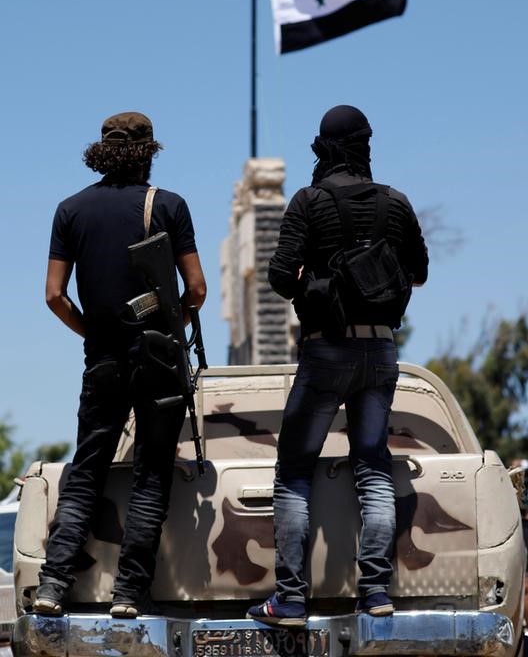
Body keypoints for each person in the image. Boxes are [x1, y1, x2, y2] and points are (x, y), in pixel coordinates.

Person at [247, 105, 428, 626]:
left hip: (326, 352)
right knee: (372, 465)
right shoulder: (395, 202)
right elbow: (418, 272)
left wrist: (317, 283)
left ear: (322, 147)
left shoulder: (308, 201)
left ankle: (290, 600)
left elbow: (280, 276)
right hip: (381, 352)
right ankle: (374, 594)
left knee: (294, 471)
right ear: (366, 145)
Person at [33, 111, 206, 618]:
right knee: (152, 475)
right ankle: (129, 595)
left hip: (102, 360)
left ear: (102, 151)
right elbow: (195, 288)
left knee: (86, 470)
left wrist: (96, 333)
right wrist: (172, 322)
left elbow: (54, 296)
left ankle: (51, 587)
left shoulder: (70, 210)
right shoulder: (169, 206)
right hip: (159, 360)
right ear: (149, 151)